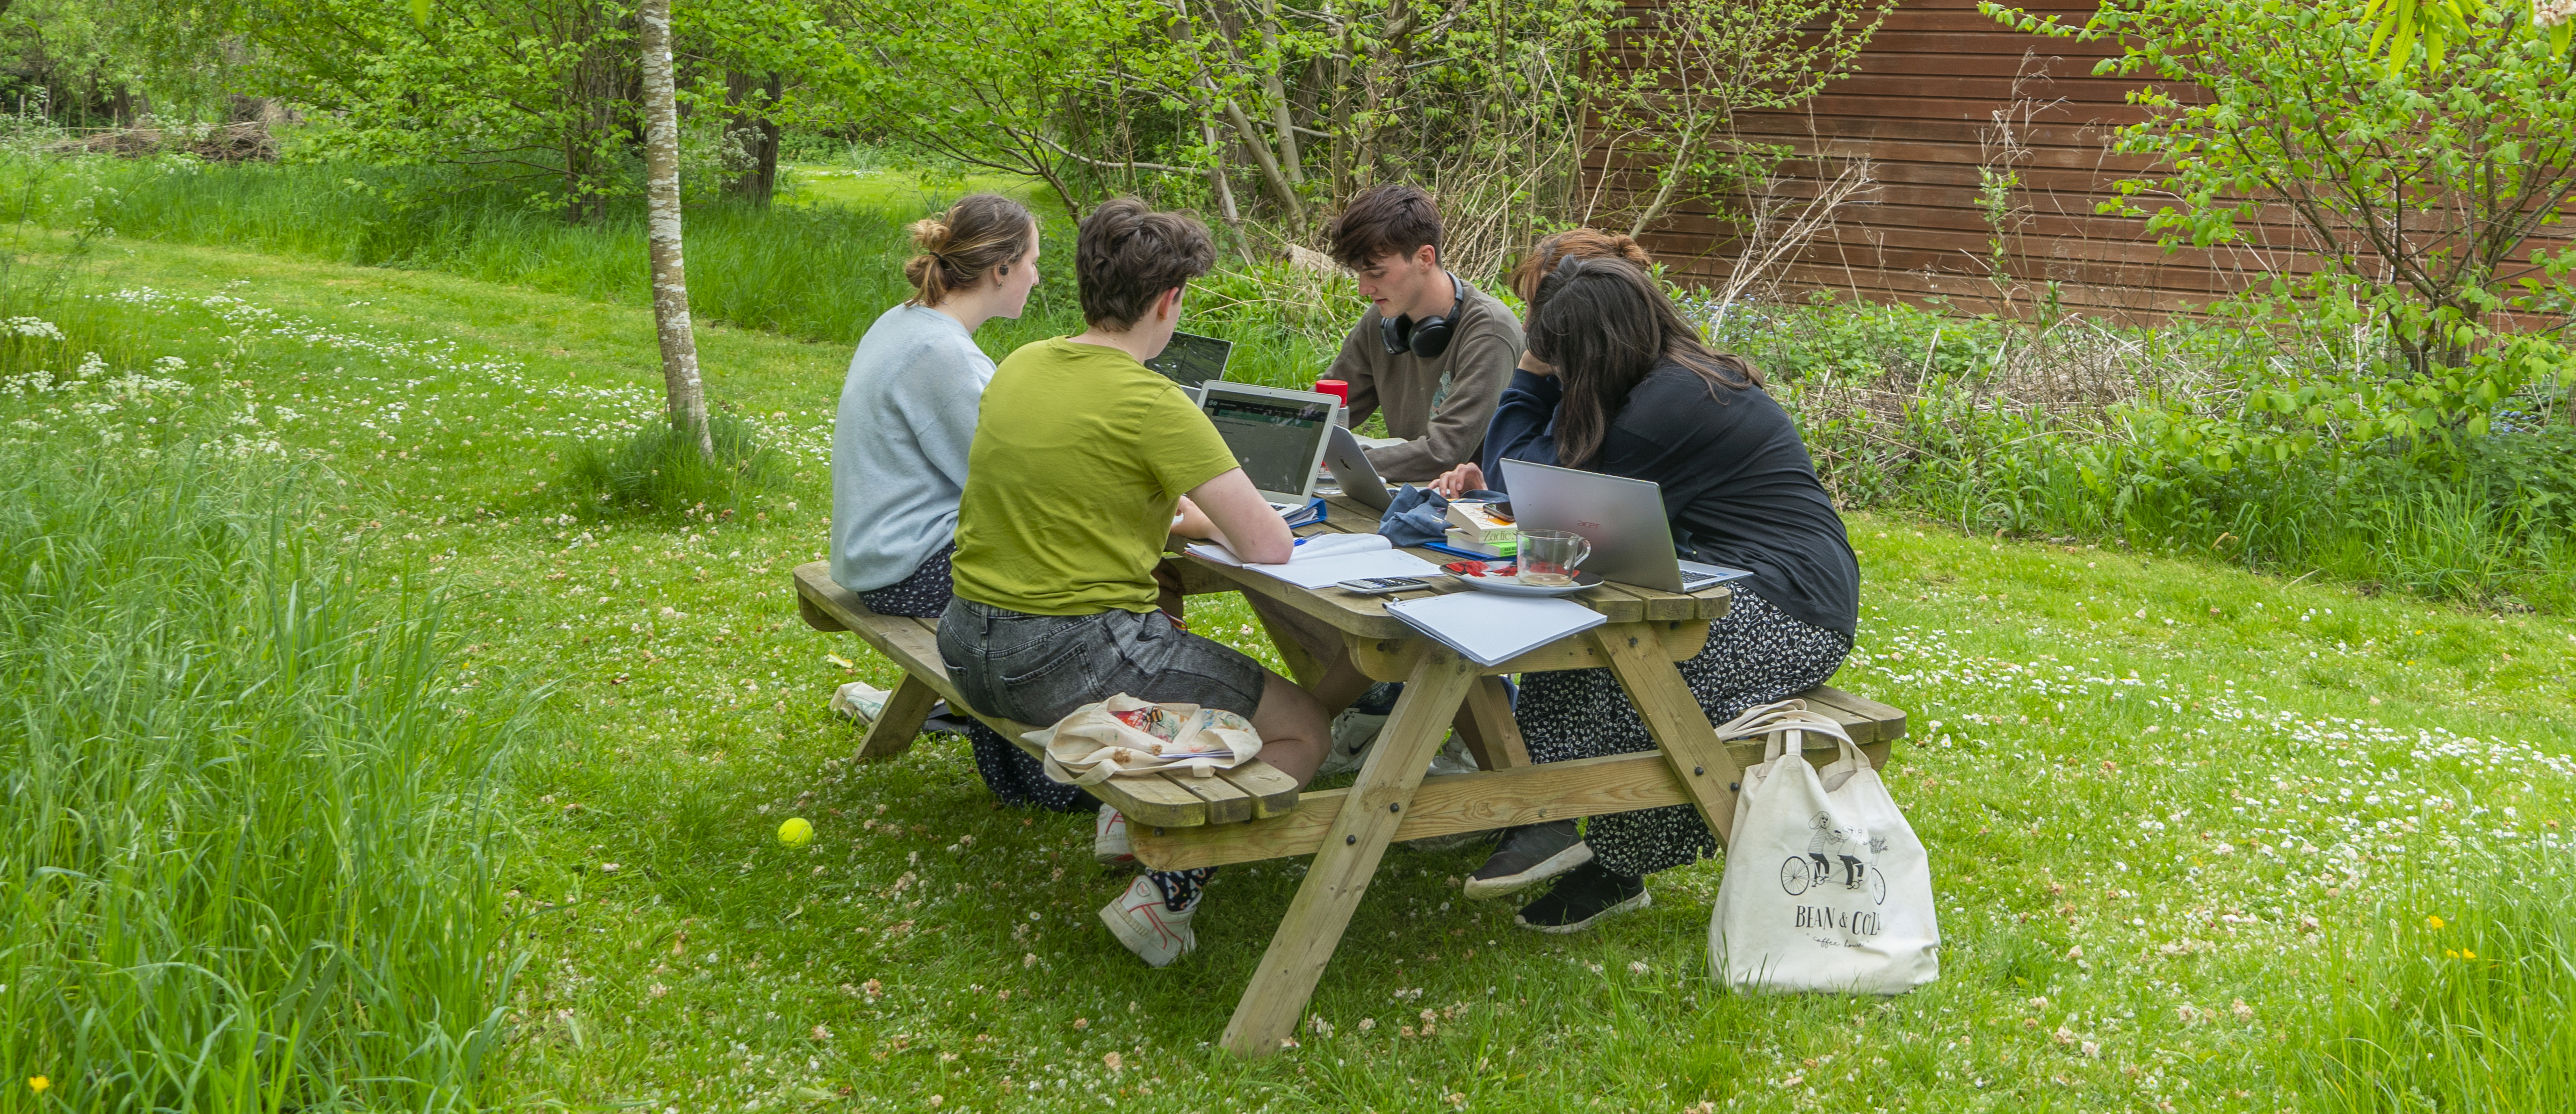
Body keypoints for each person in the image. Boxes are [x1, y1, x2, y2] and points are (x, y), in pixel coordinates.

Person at [937, 198, 1336, 967]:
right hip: (1062, 659)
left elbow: (1078, 491)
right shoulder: (1154, 401)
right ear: (1168, 301)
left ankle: (1132, 826)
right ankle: (1169, 894)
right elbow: (1270, 543)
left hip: (968, 644)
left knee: (1170, 633)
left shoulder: (1022, 365)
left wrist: (1184, 516)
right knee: (1306, 727)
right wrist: (1218, 518)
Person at [1431, 255, 1861, 932]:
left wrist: (1527, 376)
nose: (1560, 371)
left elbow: (1522, 492)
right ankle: (1587, 833)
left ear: (1596, 350)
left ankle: (1582, 826)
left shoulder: (1671, 404)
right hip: (1718, 577)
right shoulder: (1659, 382)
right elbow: (1531, 481)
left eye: (1564, 357)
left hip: (1793, 606)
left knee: (1628, 671)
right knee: (1571, 645)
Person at [826, 193, 1087, 812]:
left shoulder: (907, 322)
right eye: (1032, 261)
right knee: (1070, 576)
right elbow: (1010, 483)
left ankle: (1041, 766)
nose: (1036, 276)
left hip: (881, 555)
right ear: (1000, 269)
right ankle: (1052, 776)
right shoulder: (942, 354)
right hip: (908, 568)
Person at [1321, 183, 1524, 483]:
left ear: (1425, 258)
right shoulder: (1378, 321)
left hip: (1472, 509)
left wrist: (1337, 460)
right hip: (1408, 493)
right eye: (1359, 273)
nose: (1364, 289)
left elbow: (1443, 453)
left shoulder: (1490, 331)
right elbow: (1324, 415)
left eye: (1376, 273)